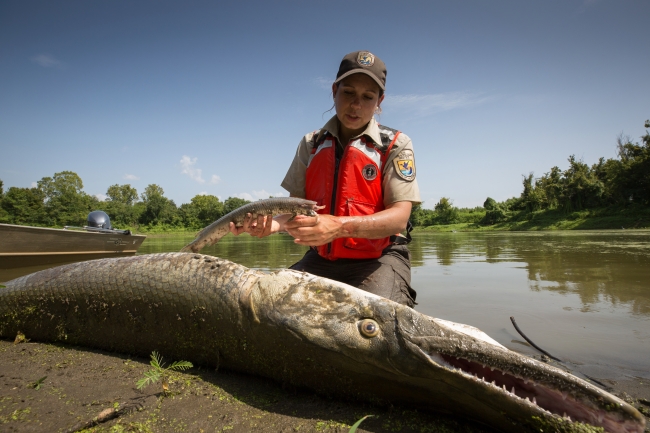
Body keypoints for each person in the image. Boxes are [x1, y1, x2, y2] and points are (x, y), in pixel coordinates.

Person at [230, 50, 421, 307]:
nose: (356, 105)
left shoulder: (396, 144)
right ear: (334, 91)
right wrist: (272, 225)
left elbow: (399, 218)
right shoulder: (311, 143)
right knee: (268, 304)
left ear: (380, 101)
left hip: (380, 259)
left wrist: (340, 226)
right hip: (321, 259)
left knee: (377, 316)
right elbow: (293, 212)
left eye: (368, 97)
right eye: (348, 92)